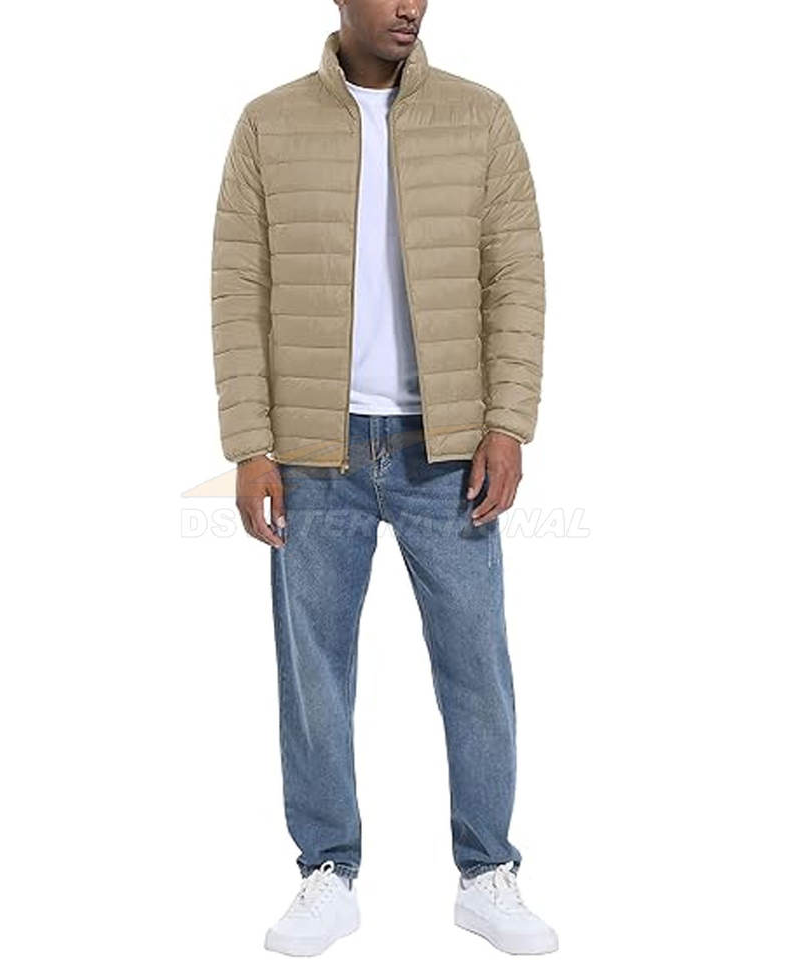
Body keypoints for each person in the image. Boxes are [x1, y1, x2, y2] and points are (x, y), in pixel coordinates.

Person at [211, 2, 557, 954]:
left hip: (446, 448)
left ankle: (487, 873)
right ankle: (327, 871)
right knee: (314, 675)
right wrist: (250, 443)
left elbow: (516, 278)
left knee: (476, 665)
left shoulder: (481, 115)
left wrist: (506, 424)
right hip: (312, 447)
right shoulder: (268, 122)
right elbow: (238, 288)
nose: (410, 5)